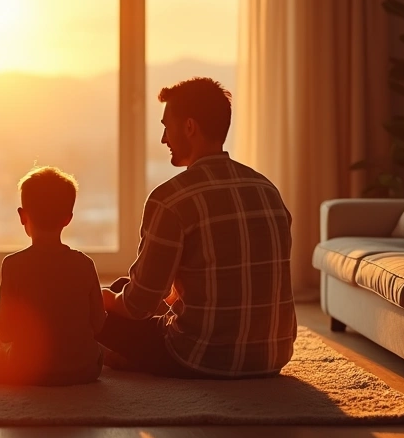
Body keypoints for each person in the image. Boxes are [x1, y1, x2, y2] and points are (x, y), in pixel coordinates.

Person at [99, 77, 297, 379]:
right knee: (127, 289)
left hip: (200, 356)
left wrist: (103, 299)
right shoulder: (267, 189)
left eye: (167, 126)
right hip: (273, 355)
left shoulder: (170, 199)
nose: (164, 139)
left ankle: (124, 356)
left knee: (109, 302)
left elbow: (140, 304)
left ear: (189, 127)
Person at [0, 166, 106, 386]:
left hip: (25, 371)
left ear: (22, 215)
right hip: (85, 369)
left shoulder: (13, 265)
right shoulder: (85, 264)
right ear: (68, 218)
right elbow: (99, 325)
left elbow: (5, 332)